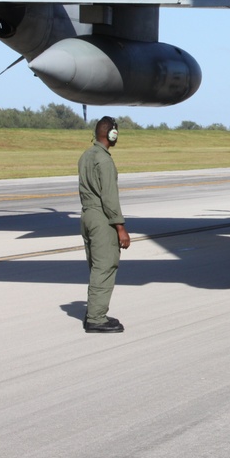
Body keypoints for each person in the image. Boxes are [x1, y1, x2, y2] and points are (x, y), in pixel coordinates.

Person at [78, 116, 130, 333]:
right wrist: (120, 227)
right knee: (105, 266)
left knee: (96, 267)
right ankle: (96, 318)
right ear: (112, 134)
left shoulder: (86, 156)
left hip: (87, 215)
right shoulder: (105, 160)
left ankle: (93, 311)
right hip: (101, 218)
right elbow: (109, 197)